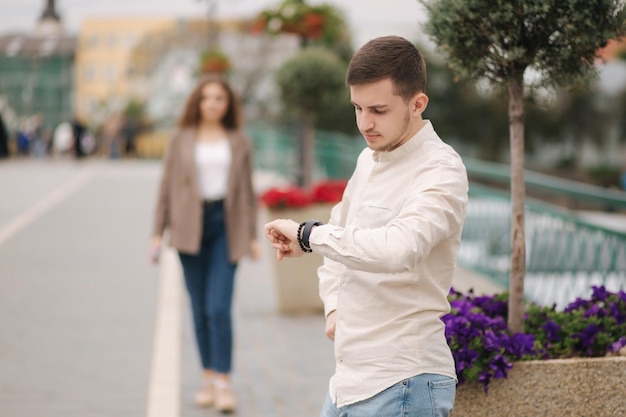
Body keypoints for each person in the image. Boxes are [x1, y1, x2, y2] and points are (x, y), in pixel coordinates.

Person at [264, 36, 469, 417]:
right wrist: (334, 308)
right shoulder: (367, 159)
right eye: (357, 108)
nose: (364, 123)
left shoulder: (441, 170)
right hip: (348, 382)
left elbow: (399, 248)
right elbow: (341, 236)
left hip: (404, 380)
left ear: (417, 103)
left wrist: (309, 235)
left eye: (378, 109)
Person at [149, 75, 260, 413]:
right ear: (197, 102)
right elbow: (166, 186)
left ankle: (224, 382)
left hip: (226, 225)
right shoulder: (180, 139)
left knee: (218, 307)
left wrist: (253, 235)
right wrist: (157, 232)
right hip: (188, 227)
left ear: (228, 105)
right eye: (207, 98)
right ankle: (208, 377)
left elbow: (247, 192)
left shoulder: (239, 140)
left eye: (220, 99)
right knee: (198, 309)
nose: (213, 104)